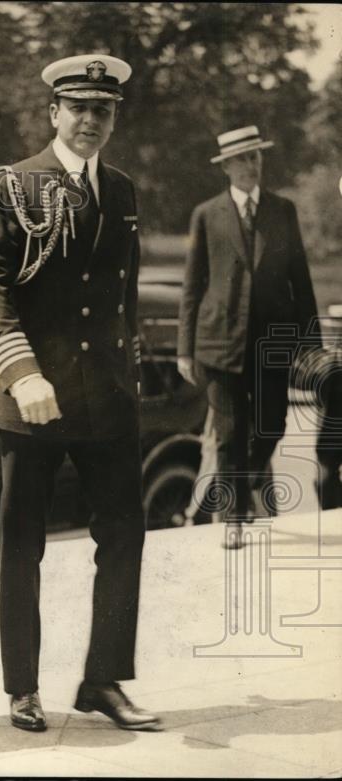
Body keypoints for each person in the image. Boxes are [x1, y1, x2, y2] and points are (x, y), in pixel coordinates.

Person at [0, 54, 160, 732]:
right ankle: (22, 686)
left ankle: (103, 679)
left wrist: (130, 374)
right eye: (77, 108)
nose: (89, 121)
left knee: (125, 537)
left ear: (114, 118)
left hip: (105, 398)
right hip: (34, 398)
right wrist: (23, 374)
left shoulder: (124, 190)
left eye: (102, 110)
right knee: (23, 544)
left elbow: (123, 295)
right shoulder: (13, 185)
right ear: (52, 112)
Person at [177, 126, 320, 548]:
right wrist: (185, 349)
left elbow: (301, 279)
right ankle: (236, 517)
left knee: (273, 425)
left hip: (273, 342)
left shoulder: (283, 210)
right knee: (229, 432)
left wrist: (310, 344)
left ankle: (238, 482)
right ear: (225, 167)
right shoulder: (207, 214)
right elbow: (191, 286)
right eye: (241, 160)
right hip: (220, 341)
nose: (250, 166)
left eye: (255, 157)